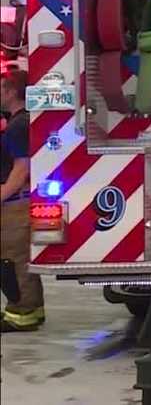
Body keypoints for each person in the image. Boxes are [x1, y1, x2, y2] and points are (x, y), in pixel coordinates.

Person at [1, 69, 43, 332]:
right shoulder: (21, 121)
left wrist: (2, 194)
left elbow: (21, 168)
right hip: (20, 201)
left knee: (12, 260)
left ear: (11, 92)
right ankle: (34, 309)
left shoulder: (18, 126)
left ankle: (20, 314)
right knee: (23, 260)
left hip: (15, 204)